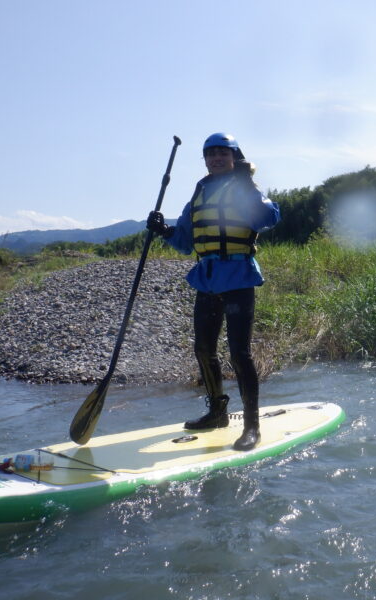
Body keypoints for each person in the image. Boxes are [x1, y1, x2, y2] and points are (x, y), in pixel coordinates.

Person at [146, 132, 280, 451]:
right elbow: (184, 240)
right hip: (207, 278)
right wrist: (162, 229)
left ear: (235, 157)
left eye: (223, 152)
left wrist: (247, 183)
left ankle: (251, 426)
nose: (216, 158)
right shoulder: (200, 192)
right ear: (205, 160)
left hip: (238, 275)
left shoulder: (246, 187)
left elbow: (267, 218)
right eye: (211, 154)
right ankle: (217, 413)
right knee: (203, 350)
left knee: (239, 353)